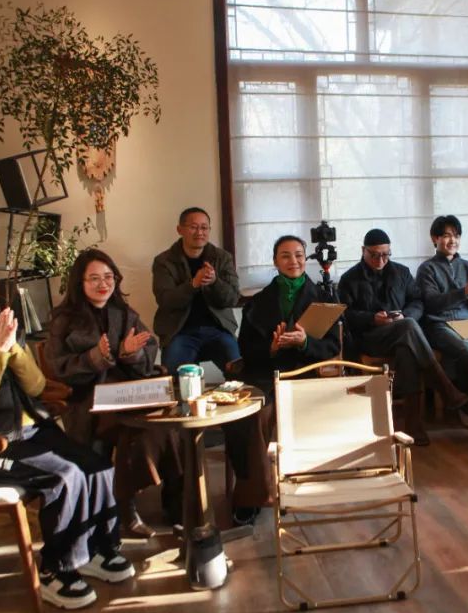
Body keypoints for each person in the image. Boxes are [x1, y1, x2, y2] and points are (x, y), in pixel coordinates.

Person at [0, 269, 133, 611]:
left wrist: (12, 348)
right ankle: (55, 571)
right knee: (64, 477)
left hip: (25, 433)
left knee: (97, 466)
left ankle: (96, 548)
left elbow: (35, 386)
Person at [45, 249, 182, 540]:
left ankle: (176, 503)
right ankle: (125, 510)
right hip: (88, 399)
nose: (103, 284)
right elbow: (58, 369)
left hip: (128, 391)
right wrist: (95, 357)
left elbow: (149, 349)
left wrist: (130, 354)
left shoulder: (124, 313)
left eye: (108, 277)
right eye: (94, 278)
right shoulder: (63, 320)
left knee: (167, 427)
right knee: (131, 432)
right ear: (80, 283)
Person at [235, 235, 341, 524]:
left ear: (305, 259)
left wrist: (304, 343)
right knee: (253, 418)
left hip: (306, 375)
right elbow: (245, 349)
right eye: (285, 255)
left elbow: (332, 347)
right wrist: (270, 348)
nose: (293, 261)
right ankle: (252, 495)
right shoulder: (258, 302)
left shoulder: (324, 298)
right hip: (266, 374)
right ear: (275, 261)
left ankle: (305, 483)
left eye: (298, 255)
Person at [338, 228, 468, 445]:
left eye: (385, 255)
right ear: (363, 251)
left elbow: (417, 302)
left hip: (402, 334)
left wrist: (404, 315)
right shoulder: (349, 279)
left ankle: (413, 426)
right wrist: (372, 318)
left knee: (407, 349)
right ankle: (443, 385)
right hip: (371, 338)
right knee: (408, 328)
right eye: (375, 255)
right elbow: (346, 314)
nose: (381, 260)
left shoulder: (401, 272)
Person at [153, 207, 241, 377]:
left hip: (218, 330)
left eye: (204, 227)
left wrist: (215, 282)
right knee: (174, 381)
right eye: (193, 227)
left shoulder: (222, 258)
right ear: (180, 230)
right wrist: (193, 284)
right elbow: (166, 300)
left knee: (241, 371)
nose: (199, 232)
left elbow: (232, 298)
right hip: (180, 332)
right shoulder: (164, 261)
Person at [416, 215, 468, 428]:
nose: (452, 240)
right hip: (440, 324)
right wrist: (465, 290)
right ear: (434, 238)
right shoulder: (427, 268)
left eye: (456, 236)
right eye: (446, 235)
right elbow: (432, 304)